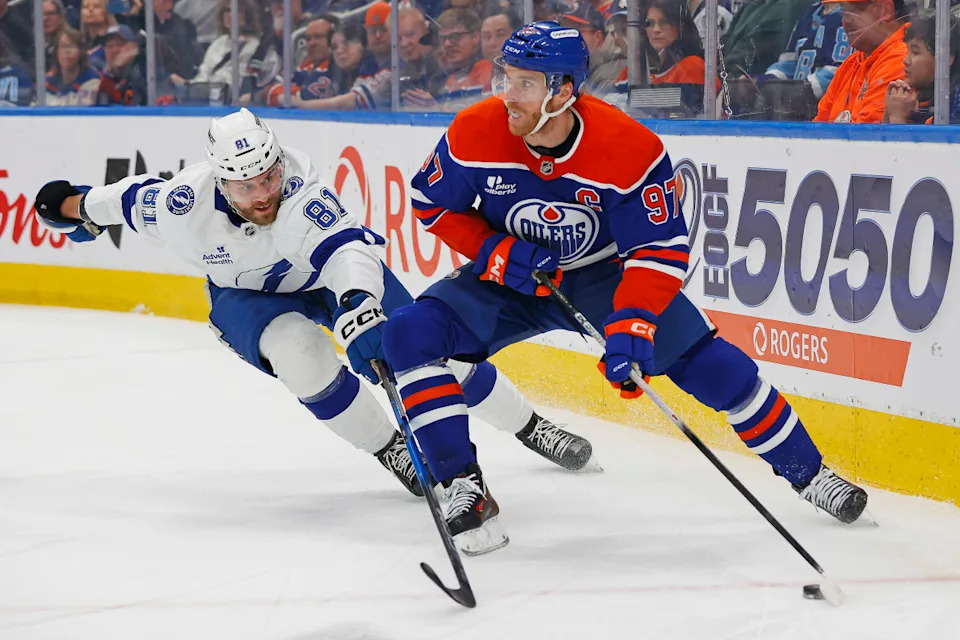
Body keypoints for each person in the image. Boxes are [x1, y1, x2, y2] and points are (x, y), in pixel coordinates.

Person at [382, 21, 870, 555]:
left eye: (525, 83)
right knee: (410, 335)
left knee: (717, 369)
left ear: (563, 91)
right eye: (505, 78)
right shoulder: (475, 130)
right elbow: (432, 204)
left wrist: (634, 320)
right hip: (515, 275)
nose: (507, 96)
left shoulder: (628, 146)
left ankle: (811, 474)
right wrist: (493, 250)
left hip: (605, 275)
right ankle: (462, 486)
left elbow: (659, 248)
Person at [32, 108, 595, 502]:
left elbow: (344, 248)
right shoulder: (180, 206)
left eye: (269, 176)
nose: (263, 193)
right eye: (246, 186)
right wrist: (71, 206)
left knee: (427, 356)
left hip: (329, 277)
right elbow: (120, 200)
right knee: (299, 355)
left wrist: (358, 303)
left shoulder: (301, 190)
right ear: (220, 183)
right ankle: (392, 450)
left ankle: (530, 426)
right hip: (246, 297)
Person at [814, 0, 907, 123]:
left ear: (886, 11)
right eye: (844, 11)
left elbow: (867, 132)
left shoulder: (902, 58)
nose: (845, 21)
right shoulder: (851, 63)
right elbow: (819, 126)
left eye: (856, 10)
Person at [883, 9, 960, 124]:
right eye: (908, 51)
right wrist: (889, 111)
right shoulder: (924, 98)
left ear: (945, 59)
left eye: (915, 52)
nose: (905, 60)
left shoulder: (954, 107)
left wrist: (897, 118)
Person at [44, 26, 101, 105]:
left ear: (81, 52)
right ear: (56, 52)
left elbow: (83, 110)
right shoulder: (48, 83)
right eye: (63, 46)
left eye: (72, 47)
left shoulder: (92, 80)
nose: (67, 51)